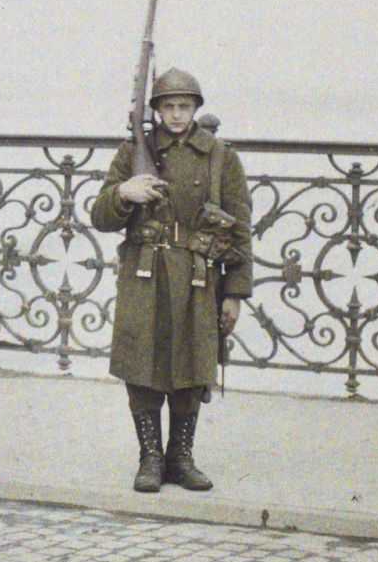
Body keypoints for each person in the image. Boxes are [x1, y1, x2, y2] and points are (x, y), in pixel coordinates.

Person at [88, 68, 254, 493]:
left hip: (198, 275)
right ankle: (150, 458)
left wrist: (234, 293)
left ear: (197, 108)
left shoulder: (220, 157)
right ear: (156, 110)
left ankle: (181, 458)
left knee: (192, 364)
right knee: (142, 364)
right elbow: (100, 216)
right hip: (145, 273)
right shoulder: (133, 153)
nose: (177, 115)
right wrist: (125, 194)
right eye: (168, 106)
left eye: (185, 106)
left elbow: (240, 230)